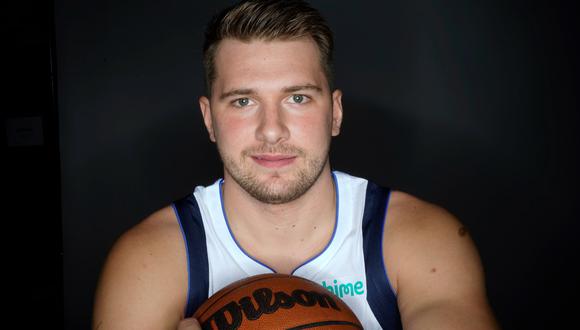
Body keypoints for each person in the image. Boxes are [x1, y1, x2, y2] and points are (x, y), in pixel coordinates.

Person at [93, 0, 500, 329]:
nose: (272, 130)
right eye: (243, 101)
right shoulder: (150, 260)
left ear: (335, 112)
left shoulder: (420, 240)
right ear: (208, 119)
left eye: (298, 98)